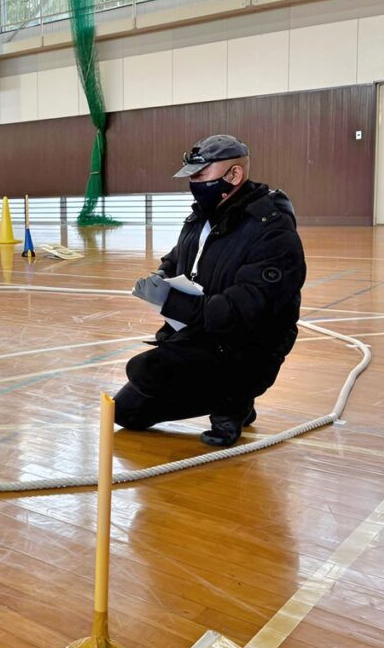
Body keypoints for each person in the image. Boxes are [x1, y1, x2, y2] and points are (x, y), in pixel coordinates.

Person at [117, 134, 307, 446]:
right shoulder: (202, 217)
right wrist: (163, 274)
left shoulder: (272, 231)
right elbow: (179, 255)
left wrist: (172, 303)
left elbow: (246, 309)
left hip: (247, 346)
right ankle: (230, 395)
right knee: (127, 414)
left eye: (201, 175)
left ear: (234, 175)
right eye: (191, 176)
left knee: (146, 369)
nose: (194, 182)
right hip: (204, 333)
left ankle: (233, 404)